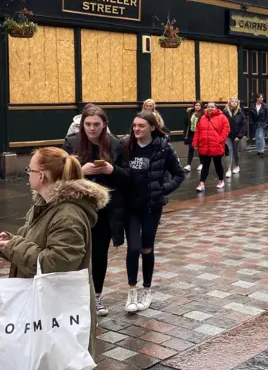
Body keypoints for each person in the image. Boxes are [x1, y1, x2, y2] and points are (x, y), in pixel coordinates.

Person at [0, 147, 109, 370]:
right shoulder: (45, 206)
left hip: (60, 313)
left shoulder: (68, 214)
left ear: (43, 175)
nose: (28, 174)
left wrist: (12, 248)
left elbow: (58, 262)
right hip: (45, 309)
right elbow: (39, 247)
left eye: (31, 169)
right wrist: (13, 242)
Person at [63, 105, 129, 318]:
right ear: (82, 124)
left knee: (100, 253)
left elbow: (128, 177)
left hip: (105, 210)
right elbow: (59, 175)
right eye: (88, 124)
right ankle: (76, 296)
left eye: (96, 124)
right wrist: (81, 171)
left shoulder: (116, 144)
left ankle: (97, 295)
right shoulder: (72, 143)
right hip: (77, 208)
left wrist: (112, 170)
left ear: (104, 125)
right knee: (75, 252)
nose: (92, 129)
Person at [123, 111, 184, 314]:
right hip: (131, 206)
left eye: (141, 126)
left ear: (152, 127)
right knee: (133, 248)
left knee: (146, 248)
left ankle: (146, 290)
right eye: (134, 126)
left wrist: (163, 189)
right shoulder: (126, 146)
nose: (137, 130)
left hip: (152, 206)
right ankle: (132, 291)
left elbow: (179, 173)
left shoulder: (163, 147)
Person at [192, 101, 230, 192]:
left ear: (216, 108)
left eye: (212, 107)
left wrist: (220, 140)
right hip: (204, 146)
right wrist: (195, 143)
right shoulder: (202, 118)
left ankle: (221, 180)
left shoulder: (222, 117)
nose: (210, 108)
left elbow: (226, 129)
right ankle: (201, 183)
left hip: (216, 145)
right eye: (209, 107)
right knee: (205, 165)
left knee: (218, 164)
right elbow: (198, 132)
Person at [224, 96, 247, 178]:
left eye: (235, 101)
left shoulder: (240, 113)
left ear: (237, 103)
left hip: (236, 136)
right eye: (232, 101)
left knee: (235, 151)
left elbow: (243, 125)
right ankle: (229, 169)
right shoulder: (225, 112)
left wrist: (239, 136)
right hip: (228, 135)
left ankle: (236, 165)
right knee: (230, 150)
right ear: (229, 102)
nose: (234, 102)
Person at [183, 102, 203, 172]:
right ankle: (188, 165)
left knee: (200, 149)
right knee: (191, 148)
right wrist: (185, 134)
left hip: (200, 134)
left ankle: (201, 163)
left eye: (199, 105)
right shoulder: (190, 113)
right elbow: (186, 124)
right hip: (191, 133)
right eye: (196, 105)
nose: (197, 107)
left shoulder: (203, 114)